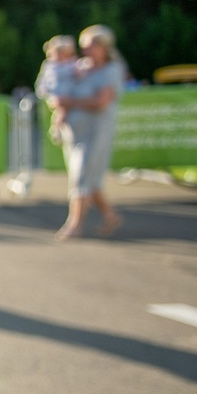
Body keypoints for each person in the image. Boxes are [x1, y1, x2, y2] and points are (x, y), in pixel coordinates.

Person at [49, 24, 126, 241]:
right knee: (89, 181)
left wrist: (69, 101)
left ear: (104, 47)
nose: (86, 51)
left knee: (81, 176)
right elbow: (59, 88)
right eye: (84, 47)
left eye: (91, 46)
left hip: (96, 132)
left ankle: (74, 224)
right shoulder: (79, 68)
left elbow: (102, 101)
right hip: (74, 133)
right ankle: (110, 215)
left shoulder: (111, 70)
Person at [35, 34, 79, 144]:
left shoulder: (72, 64)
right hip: (54, 94)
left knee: (63, 109)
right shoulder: (48, 66)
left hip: (68, 93)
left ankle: (57, 128)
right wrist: (42, 92)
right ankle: (57, 129)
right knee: (61, 108)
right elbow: (42, 81)